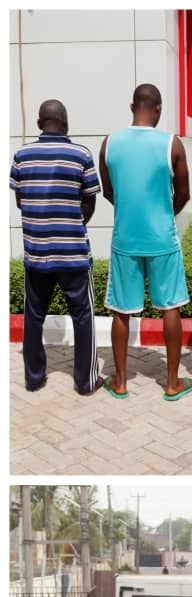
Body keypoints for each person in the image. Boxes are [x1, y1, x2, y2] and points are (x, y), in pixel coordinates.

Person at [98, 83, 192, 400]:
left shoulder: (109, 144)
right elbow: (183, 194)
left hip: (125, 238)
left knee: (121, 310)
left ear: (131, 106)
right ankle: (171, 383)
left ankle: (122, 381)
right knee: (171, 307)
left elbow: (111, 193)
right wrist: (165, 213)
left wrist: (130, 210)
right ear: (158, 109)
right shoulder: (172, 144)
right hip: (162, 238)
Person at [9, 100, 102, 395]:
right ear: (66, 123)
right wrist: (73, 223)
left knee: (33, 315)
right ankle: (85, 381)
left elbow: (20, 201)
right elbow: (89, 201)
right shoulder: (80, 154)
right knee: (83, 315)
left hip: (36, 252)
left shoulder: (21, 155)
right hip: (73, 253)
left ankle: (34, 379)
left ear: (39, 124)